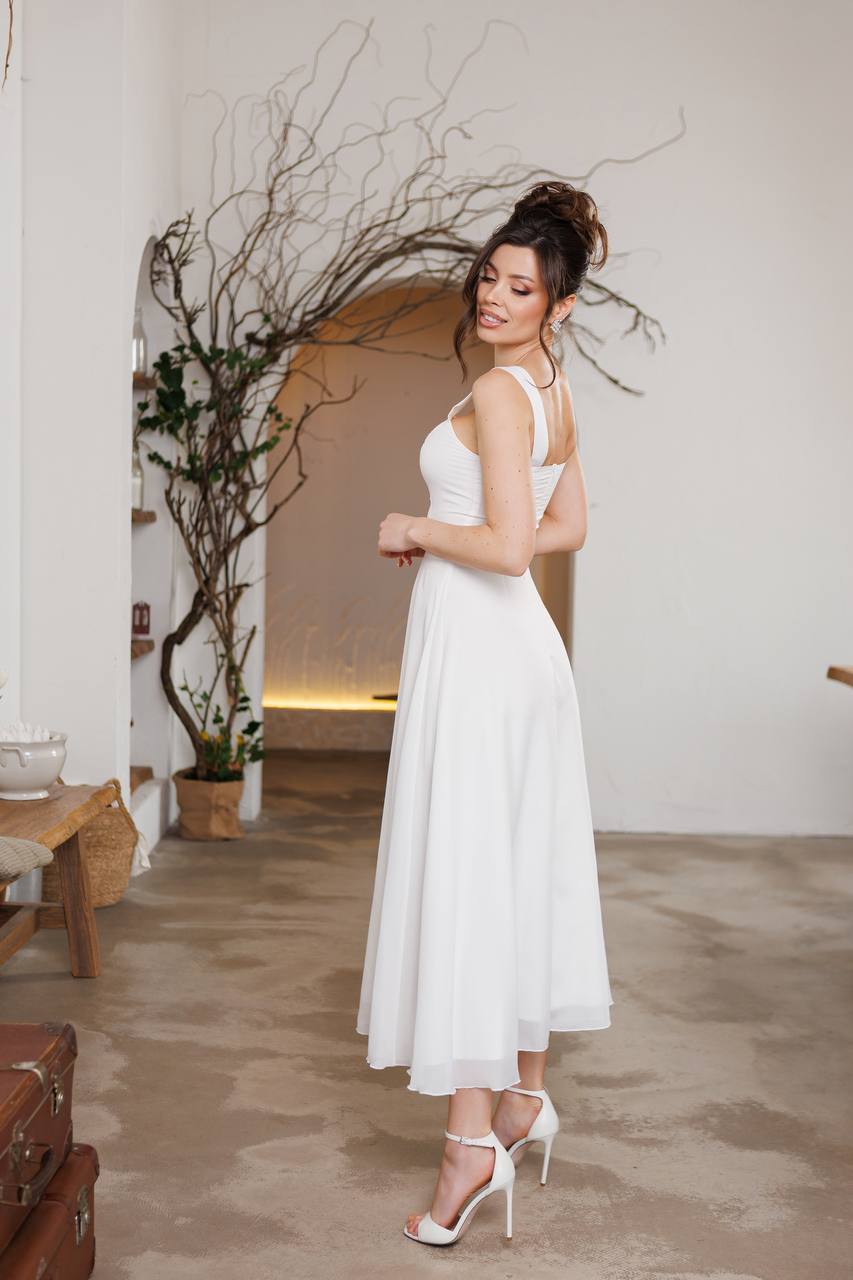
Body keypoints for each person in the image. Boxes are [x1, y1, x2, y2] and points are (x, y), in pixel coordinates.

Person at [356, 180, 614, 1247]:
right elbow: (567, 526)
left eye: (521, 286)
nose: (494, 296)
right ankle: (520, 1097)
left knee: (471, 873)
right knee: (515, 866)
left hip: (482, 651)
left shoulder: (507, 393)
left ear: (557, 302)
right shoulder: (549, 388)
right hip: (520, 653)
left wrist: (420, 519)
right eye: (488, 277)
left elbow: (514, 544)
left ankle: (470, 1143)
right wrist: (459, 528)